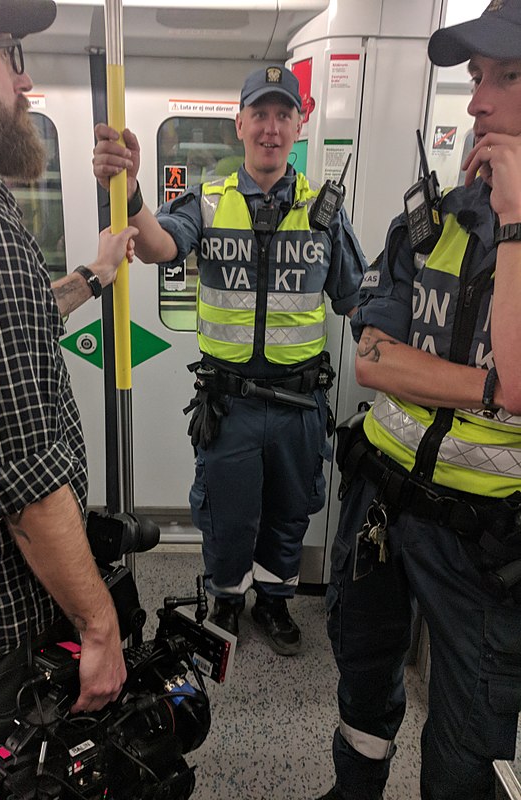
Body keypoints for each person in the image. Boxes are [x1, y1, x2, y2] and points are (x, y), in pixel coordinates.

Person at [0, 0, 138, 789]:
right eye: (6, 53)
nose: (24, 78)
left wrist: (90, 278)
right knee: (8, 775)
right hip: (1, 619)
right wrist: (99, 625)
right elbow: (26, 487)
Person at [92, 65, 366, 656]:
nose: (271, 128)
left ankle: (274, 604)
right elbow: (159, 245)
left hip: (299, 406)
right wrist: (133, 192)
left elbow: (353, 301)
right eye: (260, 115)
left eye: (283, 115)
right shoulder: (208, 202)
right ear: (240, 124)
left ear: (301, 123)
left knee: (289, 514)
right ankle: (226, 600)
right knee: (226, 516)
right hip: (230, 405)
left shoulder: (324, 210)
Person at [319, 2, 521, 799]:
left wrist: (514, 223)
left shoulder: (507, 225)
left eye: (508, 76)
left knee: (469, 735)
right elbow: (372, 359)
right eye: (476, 78)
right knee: (364, 677)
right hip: (383, 507)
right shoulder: (426, 221)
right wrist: (492, 389)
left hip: (486, 544)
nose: (477, 101)